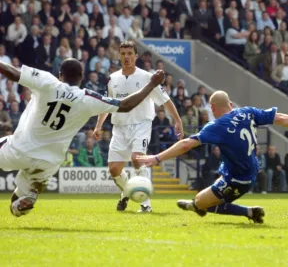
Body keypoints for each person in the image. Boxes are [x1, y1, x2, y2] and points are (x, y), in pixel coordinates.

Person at [0, 58, 165, 217]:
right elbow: (125, 105)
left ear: (60, 75)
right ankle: (26, 199)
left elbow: (13, 73)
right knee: (16, 202)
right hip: (48, 161)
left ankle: (25, 198)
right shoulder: (88, 98)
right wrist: (152, 83)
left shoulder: (47, 82)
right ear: (81, 77)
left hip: (19, 148)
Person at [137, 91, 288, 223]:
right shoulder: (248, 112)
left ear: (212, 109)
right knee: (212, 192)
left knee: (202, 202)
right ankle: (201, 205)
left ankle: (245, 211)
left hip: (239, 178)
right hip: (247, 169)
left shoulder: (217, 126)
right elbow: (280, 118)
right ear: (230, 104)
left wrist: (157, 158)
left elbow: (186, 144)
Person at [93, 40, 184, 213]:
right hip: (119, 127)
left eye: (129, 54)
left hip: (141, 124)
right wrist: (98, 126)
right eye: (123, 54)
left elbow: (165, 100)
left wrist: (177, 120)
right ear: (119, 56)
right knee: (114, 170)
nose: (126, 57)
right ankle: (127, 191)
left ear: (136, 56)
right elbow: (107, 105)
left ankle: (145, 204)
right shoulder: (113, 79)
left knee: (137, 159)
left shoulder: (147, 77)